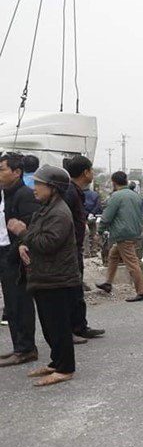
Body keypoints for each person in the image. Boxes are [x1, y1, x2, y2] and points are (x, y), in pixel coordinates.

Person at [7, 165, 80, 386]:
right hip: (45, 276)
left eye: (39, 184)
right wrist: (22, 244)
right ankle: (56, 362)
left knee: (58, 325)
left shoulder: (59, 212)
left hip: (56, 278)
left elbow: (47, 244)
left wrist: (21, 233)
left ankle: (65, 368)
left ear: (54, 188)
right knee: (49, 325)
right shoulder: (46, 208)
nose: (34, 188)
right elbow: (35, 236)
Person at [0, 153, 41, 367]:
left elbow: (30, 229)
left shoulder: (24, 195)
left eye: (2, 169)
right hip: (5, 253)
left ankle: (26, 348)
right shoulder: (6, 193)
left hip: (15, 256)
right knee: (11, 304)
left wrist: (12, 254)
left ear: (17, 172)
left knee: (20, 303)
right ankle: (19, 346)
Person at [63, 156, 106, 340]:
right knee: (71, 290)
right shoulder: (70, 193)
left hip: (75, 248)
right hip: (69, 249)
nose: (93, 173)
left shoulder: (75, 191)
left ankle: (80, 326)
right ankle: (71, 329)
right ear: (85, 172)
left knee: (76, 289)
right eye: (91, 170)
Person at [95, 171, 143, 302]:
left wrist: (99, 232)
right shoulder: (135, 195)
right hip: (135, 233)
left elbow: (107, 216)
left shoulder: (116, 196)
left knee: (132, 263)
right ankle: (108, 283)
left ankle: (142, 292)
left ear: (114, 183)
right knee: (113, 255)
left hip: (123, 234)